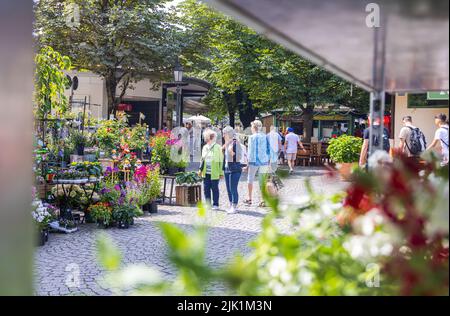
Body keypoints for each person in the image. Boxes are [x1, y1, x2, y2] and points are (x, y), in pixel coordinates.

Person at [244, 120, 270, 206]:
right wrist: (268, 159)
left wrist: (247, 163)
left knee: (250, 179)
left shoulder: (252, 137)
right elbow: (269, 149)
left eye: (251, 127)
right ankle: (263, 200)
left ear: (254, 127)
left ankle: (249, 198)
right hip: (264, 161)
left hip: (253, 161)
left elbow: (250, 151)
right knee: (263, 181)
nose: (251, 128)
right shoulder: (265, 136)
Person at [199, 129, 224, 210]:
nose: (205, 138)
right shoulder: (204, 147)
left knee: (215, 188)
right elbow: (202, 159)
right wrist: (200, 169)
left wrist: (221, 173)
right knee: (206, 189)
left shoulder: (218, 147)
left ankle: (216, 204)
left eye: (207, 137)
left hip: (215, 172)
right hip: (205, 172)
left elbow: (221, 161)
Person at [222, 126, 243, 214]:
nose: (223, 135)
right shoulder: (227, 143)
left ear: (228, 134)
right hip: (227, 168)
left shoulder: (235, 143)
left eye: (224, 133)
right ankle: (231, 205)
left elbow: (239, 156)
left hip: (235, 168)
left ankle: (234, 206)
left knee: (233, 188)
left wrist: (231, 152)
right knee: (228, 188)